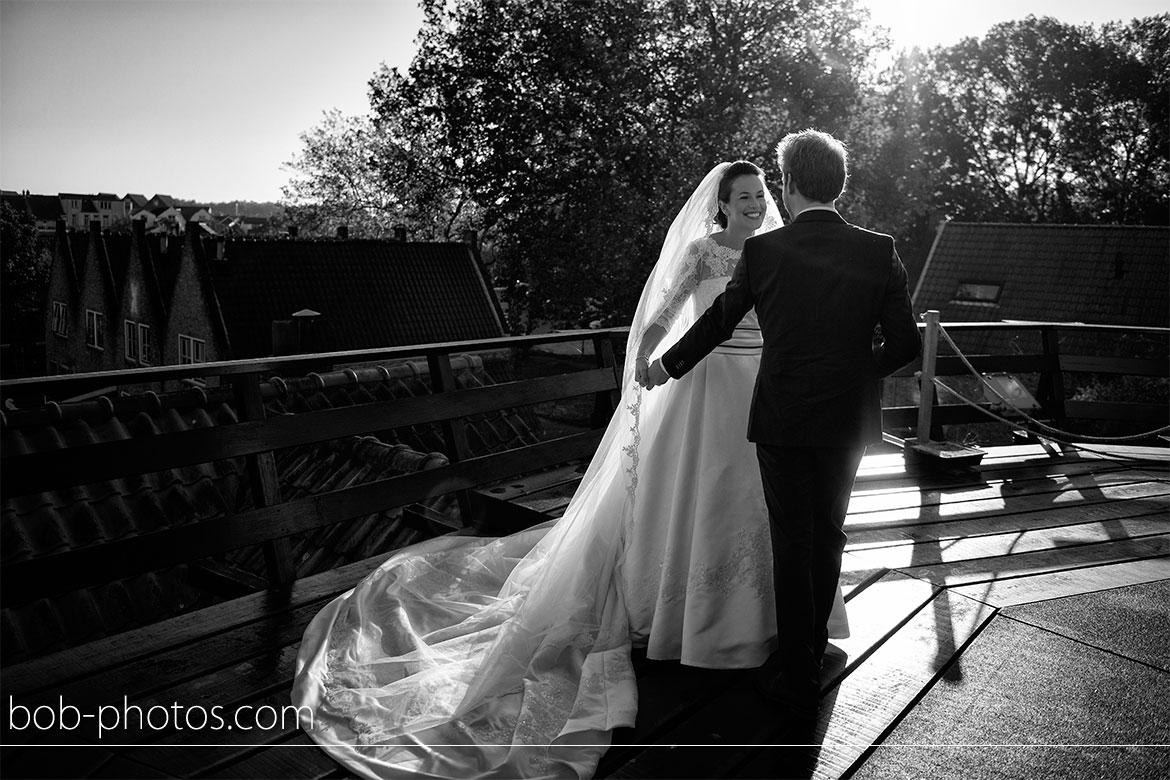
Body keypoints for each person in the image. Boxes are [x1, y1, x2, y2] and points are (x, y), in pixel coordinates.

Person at [291, 161, 845, 780]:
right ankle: (691, 619)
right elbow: (667, 311)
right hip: (707, 386)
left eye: (760, 194)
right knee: (704, 496)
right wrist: (646, 355)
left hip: (769, 390)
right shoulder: (705, 251)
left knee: (765, 507)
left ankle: (767, 622)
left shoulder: (776, 250)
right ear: (720, 206)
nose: (753, 203)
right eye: (742, 196)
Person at [641, 130, 921, 719]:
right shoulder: (879, 249)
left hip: (782, 418)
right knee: (830, 535)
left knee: (793, 542)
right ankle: (814, 651)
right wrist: (851, 376)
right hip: (846, 421)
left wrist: (668, 364)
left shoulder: (765, 253)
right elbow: (904, 344)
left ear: (788, 185)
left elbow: (719, 321)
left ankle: (795, 669)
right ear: (837, 185)